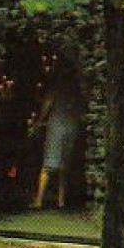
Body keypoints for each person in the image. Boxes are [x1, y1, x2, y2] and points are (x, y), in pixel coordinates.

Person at [33, 62, 83, 209]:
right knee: (64, 166)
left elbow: (47, 105)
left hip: (56, 127)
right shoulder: (76, 90)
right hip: (72, 127)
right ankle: (61, 201)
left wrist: (38, 122)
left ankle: (38, 200)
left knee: (48, 164)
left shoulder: (56, 88)